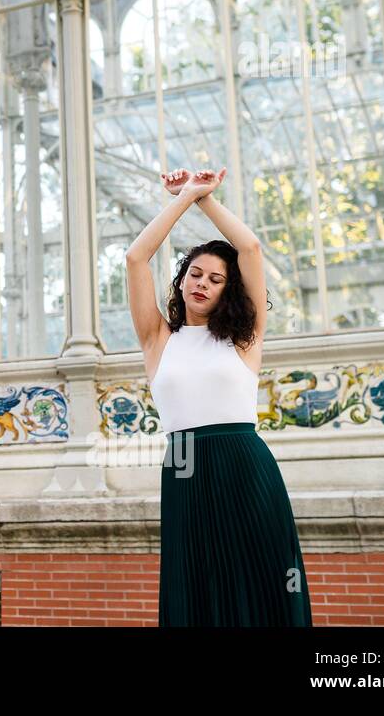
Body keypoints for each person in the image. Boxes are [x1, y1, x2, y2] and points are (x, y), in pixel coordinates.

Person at [124, 166, 312, 626]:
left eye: (215, 278)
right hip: (185, 470)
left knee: (260, 580)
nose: (202, 283)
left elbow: (249, 247)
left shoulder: (244, 340)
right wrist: (183, 197)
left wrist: (206, 198)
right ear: (182, 279)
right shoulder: (157, 339)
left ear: (229, 290)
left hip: (246, 467)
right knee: (196, 584)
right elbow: (134, 258)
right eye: (195, 273)